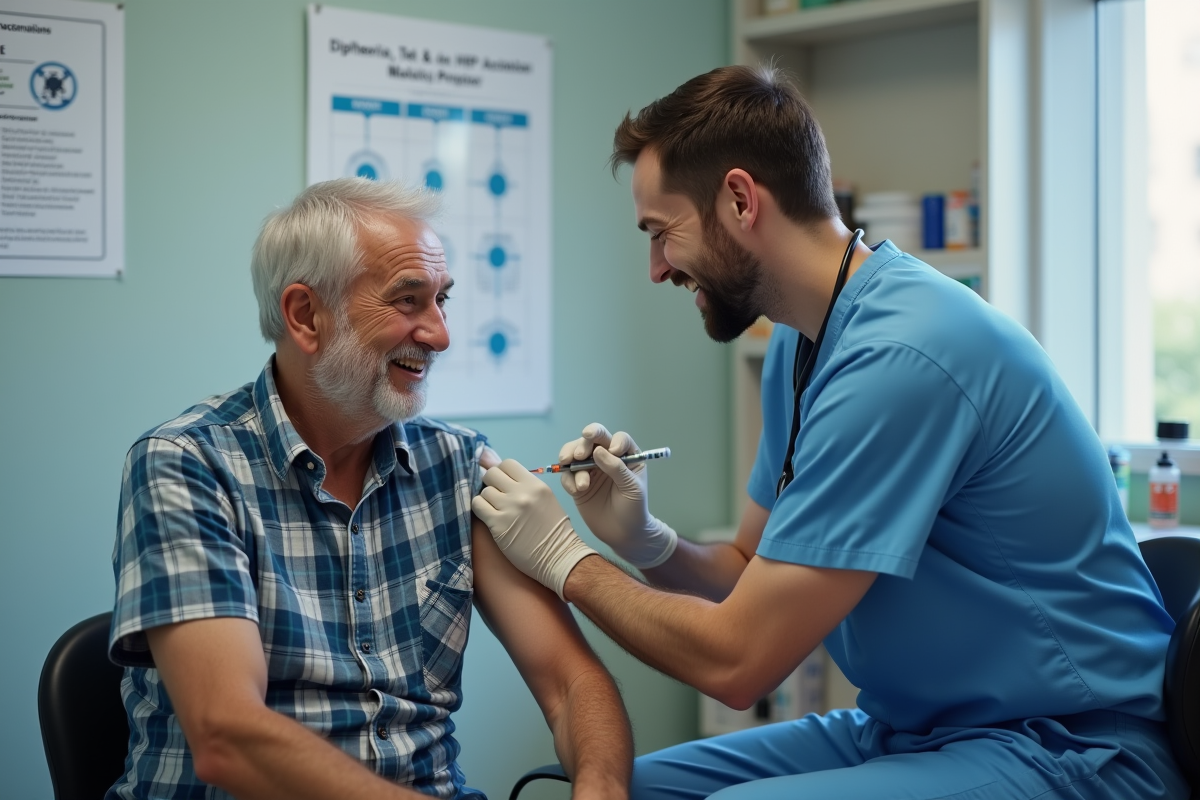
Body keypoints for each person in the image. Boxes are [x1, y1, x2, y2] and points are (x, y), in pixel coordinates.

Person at [470, 65, 1189, 799]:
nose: (656, 269)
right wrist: (645, 541)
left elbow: (740, 664)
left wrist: (565, 561)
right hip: (912, 730)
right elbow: (750, 569)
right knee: (605, 790)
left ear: (741, 200)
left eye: (662, 233)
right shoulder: (801, 340)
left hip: (1072, 746)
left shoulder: (905, 354)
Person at [107, 178, 632, 800]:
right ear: (305, 315)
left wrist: (601, 786)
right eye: (408, 302)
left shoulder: (457, 465)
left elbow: (571, 684)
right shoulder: (188, 466)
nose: (440, 335)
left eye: (443, 301)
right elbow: (228, 736)